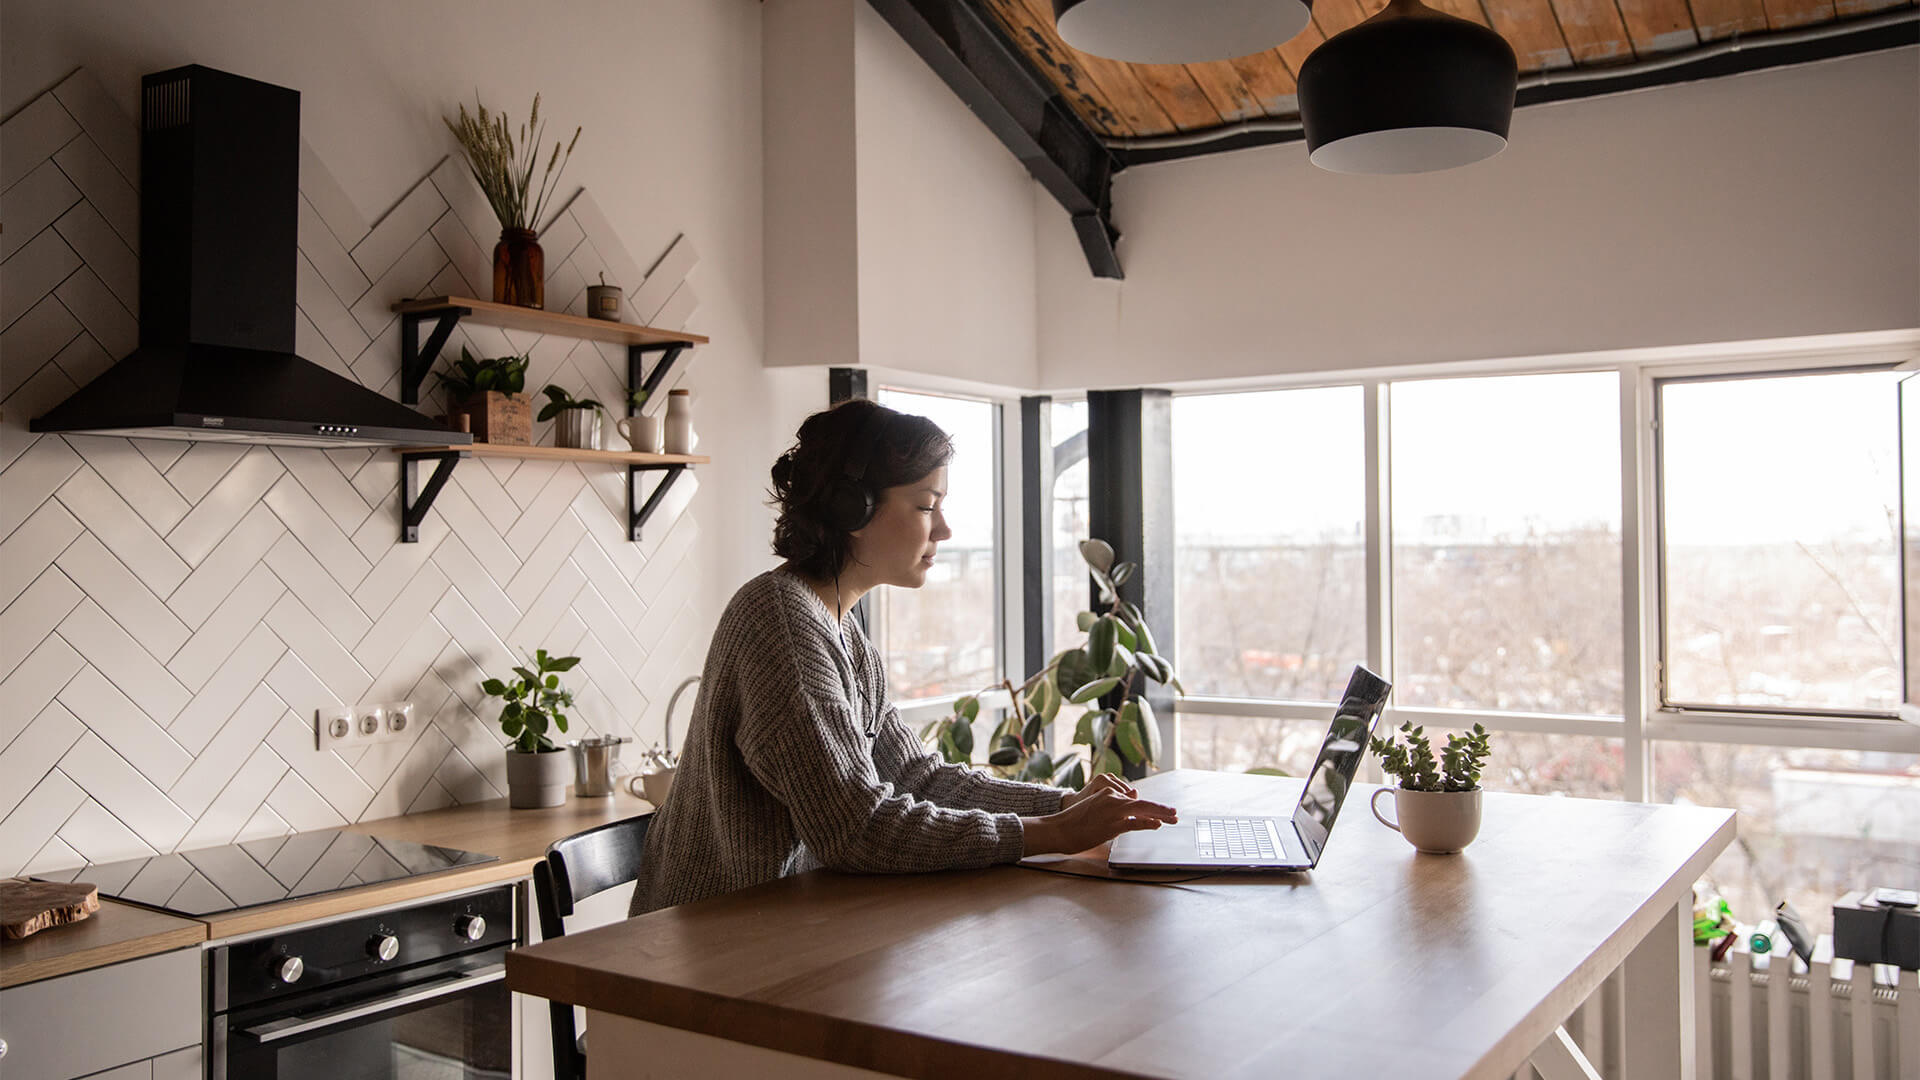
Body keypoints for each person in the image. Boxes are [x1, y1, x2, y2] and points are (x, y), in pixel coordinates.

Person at [629, 398, 1178, 915]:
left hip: (780, 929)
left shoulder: (838, 628)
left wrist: (1063, 806)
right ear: (852, 509)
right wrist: (1052, 834)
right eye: (926, 505)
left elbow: (915, 777)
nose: (943, 528)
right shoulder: (782, 624)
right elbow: (855, 829)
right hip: (697, 956)